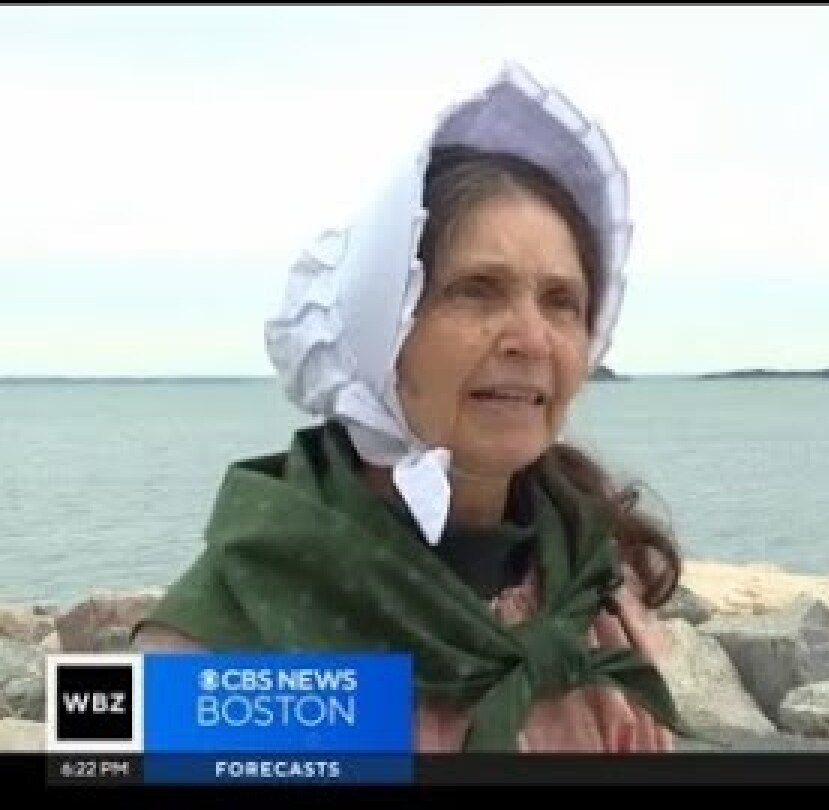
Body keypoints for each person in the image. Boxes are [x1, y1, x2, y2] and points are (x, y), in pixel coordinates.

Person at [132, 62, 687, 753]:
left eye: (561, 302)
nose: (531, 339)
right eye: (477, 290)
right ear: (380, 329)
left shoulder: (589, 585)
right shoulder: (235, 633)